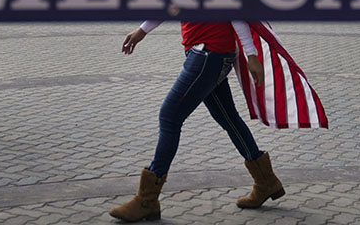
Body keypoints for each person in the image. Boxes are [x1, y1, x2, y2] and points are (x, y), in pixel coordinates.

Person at [110, 20, 323, 222]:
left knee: (169, 117)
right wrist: (142, 31)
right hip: (208, 54)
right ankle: (266, 182)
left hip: (208, 54)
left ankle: (146, 200)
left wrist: (251, 55)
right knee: (228, 118)